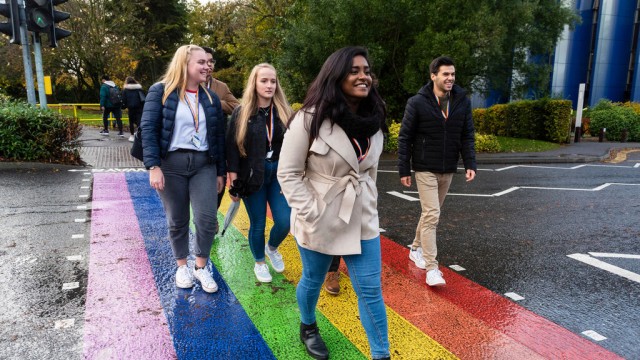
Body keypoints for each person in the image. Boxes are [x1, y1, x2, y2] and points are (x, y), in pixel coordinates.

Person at [278, 46, 390, 360]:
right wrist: (312, 212)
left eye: (366, 70)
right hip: (320, 215)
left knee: (369, 290)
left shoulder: (375, 119)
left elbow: (371, 173)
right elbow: (288, 173)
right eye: (354, 70)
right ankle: (308, 325)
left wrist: (371, 204)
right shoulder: (308, 119)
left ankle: (381, 355)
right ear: (336, 75)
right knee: (313, 278)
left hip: (363, 217)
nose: (363, 76)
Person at [140, 45, 226, 293]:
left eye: (208, 63)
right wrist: (153, 166)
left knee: (207, 219)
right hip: (171, 165)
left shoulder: (210, 98)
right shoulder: (161, 92)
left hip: (203, 165)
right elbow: (148, 130)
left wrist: (220, 171)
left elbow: (218, 137)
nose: (206, 67)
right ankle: (181, 266)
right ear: (184, 64)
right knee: (177, 220)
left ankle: (201, 267)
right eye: (200, 62)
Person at [397, 56, 477, 287]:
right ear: (433, 76)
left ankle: (415, 248)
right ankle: (432, 268)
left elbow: (466, 135)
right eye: (445, 74)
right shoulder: (417, 102)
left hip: (448, 168)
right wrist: (404, 169)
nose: (450, 78)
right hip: (424, 168)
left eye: (452, 74)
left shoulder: (462, 101)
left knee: (431, 212)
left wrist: (469, 164)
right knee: (432, 214)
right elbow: (405, 138)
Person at [226, 63, 293, 283]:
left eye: (273, 81)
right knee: (258, 223)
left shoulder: (284, 111)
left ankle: (271, 248)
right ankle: (259, 262)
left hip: (278, 174)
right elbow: (233, 149)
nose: (269, 85)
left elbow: (294, 146)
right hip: (252, 175)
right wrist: (233, 182)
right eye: (264, 80)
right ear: (254, 83)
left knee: (285, 221)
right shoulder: (241, 112)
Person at [202, 46, 240, 209]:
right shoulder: (186, 84)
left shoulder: (221, 87)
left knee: (219, 183)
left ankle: (211, 218)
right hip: (194, 146)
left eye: (211, 61)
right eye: (204, 61)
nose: (208, 65)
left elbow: (236, 106)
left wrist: (214, 101)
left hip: (217, 144)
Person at [202, 46, 240, 116]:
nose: (210, 64)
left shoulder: (222, 86)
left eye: (211, 61)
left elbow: (238, 107)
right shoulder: (189, 85)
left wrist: (217, 103)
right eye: (205, 61)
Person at [121, 76, 145, 142]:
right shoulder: (139, 89)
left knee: (131, 122)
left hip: (131, 108)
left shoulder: (125, 90)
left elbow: (124, 100)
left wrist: (123, 106)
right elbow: (143, 98)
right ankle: (140, 135)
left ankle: (132, 135)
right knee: (139, 122)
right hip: (139, 108)